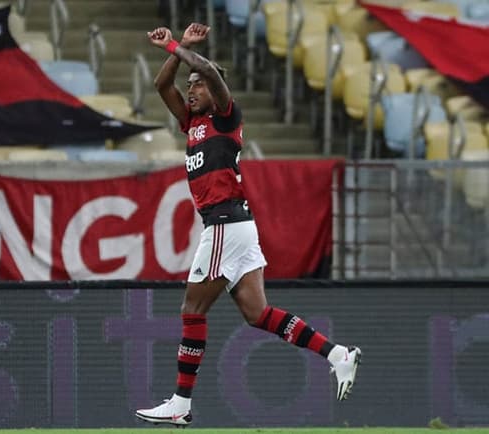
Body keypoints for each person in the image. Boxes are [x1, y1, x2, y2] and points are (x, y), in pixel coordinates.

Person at [135, 23, 361, 427]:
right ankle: (337, 354)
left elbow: (206, 69)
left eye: (199, 85)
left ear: (215, 88)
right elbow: (159, 84)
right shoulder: (193, 123)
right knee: (258, 314)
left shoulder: (225, 115)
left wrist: (179, 47)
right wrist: (180, 48)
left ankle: (180, 403)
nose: (191, 90)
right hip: (236, 227)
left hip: (224, 224)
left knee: (192, 309)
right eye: (190, 85)